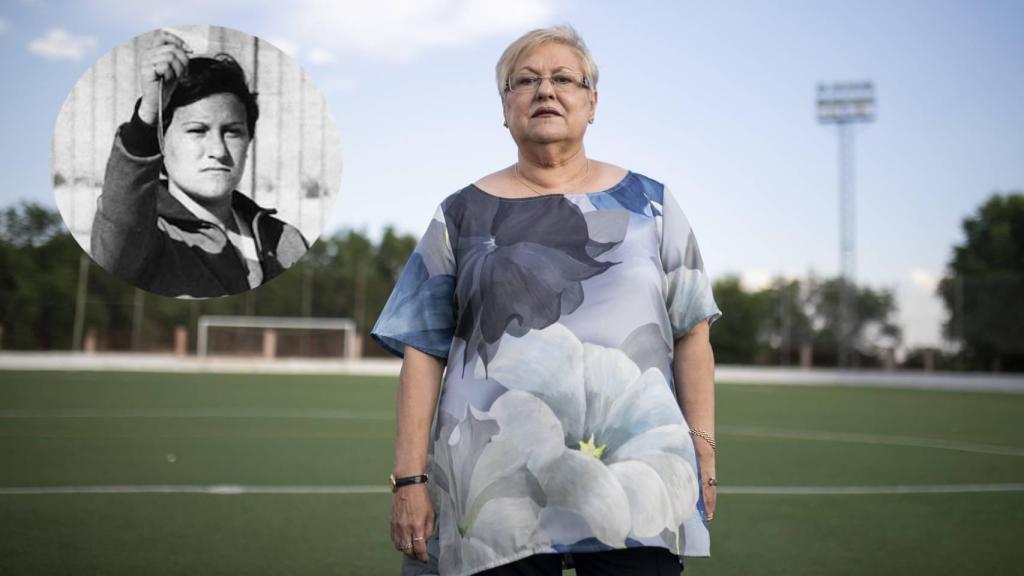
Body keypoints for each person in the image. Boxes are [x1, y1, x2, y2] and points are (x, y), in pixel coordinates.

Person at [372, 25, 721, 576]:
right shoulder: (459, 214)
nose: (545, 91)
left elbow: (692, 333)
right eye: (525, 80)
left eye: (564, 78)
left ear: (592, 102)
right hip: (492, 480)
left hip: (637, 477)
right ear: (504, 106)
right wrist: (410, 479)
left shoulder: (650, 206)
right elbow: (422, 351)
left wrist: (702, 444)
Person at [90, 31, 307, 298]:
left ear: (249, 140)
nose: (218, 150)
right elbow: (119, 231)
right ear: (161, 140)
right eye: (197, 130)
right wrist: (147, 115)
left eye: (232, 131)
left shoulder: (287, 241)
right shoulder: (145, 238)